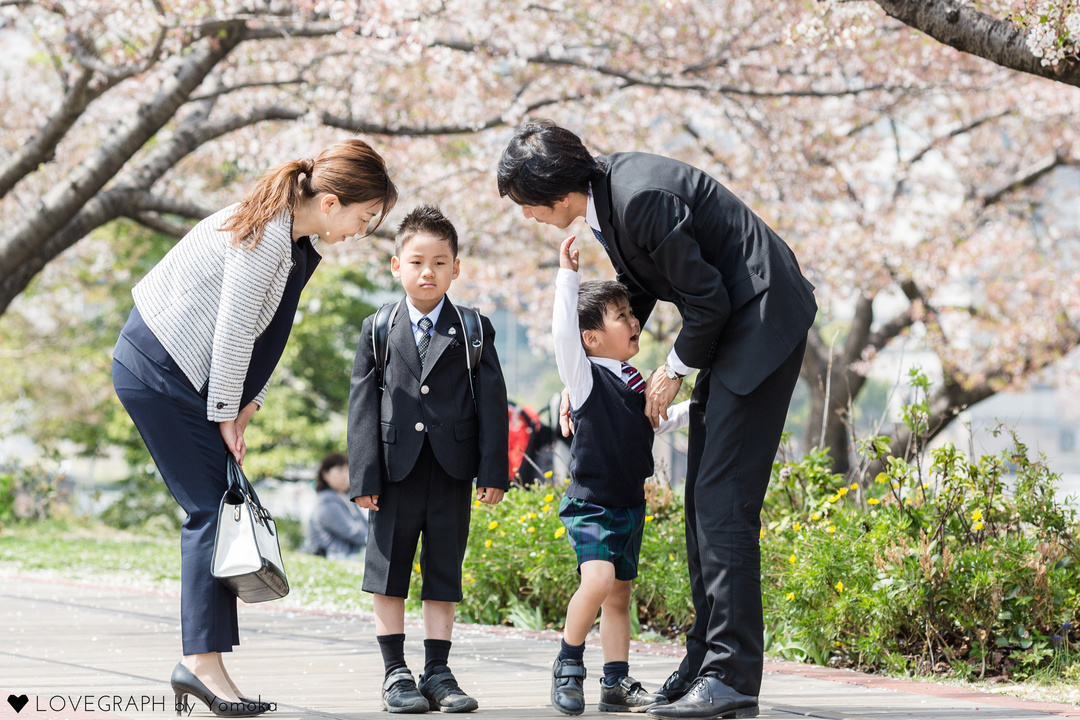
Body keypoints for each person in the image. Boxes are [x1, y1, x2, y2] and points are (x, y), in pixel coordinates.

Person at [498, 120, 817, 720]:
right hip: (736, 326)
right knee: (703, 497)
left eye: (525, 204)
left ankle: (731, 677)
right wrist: (588, 375)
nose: (527, 217)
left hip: (761, 319)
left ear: (553, 191)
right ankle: (706, 661)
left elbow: (709, 298)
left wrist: (671, 369)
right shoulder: (611, 200)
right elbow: (638, 292)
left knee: (722, 502)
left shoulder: (637, 197)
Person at [112, 138, 397, 717]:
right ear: (332, 202)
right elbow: (234, 332)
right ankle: (200, 665)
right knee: (212, 511)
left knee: (218, 510)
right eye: (365, 219)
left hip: (184, 376)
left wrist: (247, 406)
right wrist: (224, 414)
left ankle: (206, 664)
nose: (360, 233)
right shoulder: (265, 237)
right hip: (160, 371)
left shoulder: (289, 239)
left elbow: (270, 335)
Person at [347, 204, 509, 714]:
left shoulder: (474, 329)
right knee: (388, 568)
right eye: (417, 261)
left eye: (440, 262)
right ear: (396, 266)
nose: (428, 272)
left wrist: (494, 470)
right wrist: (363, 477)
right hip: (394, 471)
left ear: (456, 268)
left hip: (452, 469)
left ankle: (437, 671)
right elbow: (362, 407)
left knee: (444, 568)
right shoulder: (378, 328)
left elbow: (492, 404)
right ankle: (395, 671)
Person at [549, 235, 689, 716]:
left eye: (632, 313)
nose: (634, 322)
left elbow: (660, 420)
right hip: (592, 501)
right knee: (599, 581)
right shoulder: (584, 378)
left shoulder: (636, 381)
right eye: (622, 316)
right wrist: (567, 276)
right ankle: (568, 665)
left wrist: (704, 407)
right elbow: (563, 336)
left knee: (620, 594)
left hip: (630, 501)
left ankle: (615, 682)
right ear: (591, 338)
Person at [306, 453, 368, 560]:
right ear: (325, 474)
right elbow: (352, 532)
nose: (345, 475)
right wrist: (377, 540)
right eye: (340, 470)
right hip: (333, 556)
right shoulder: (326, 502)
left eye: (347, 470)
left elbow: (364, 525)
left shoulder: (346, 498)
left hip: (349, 556)